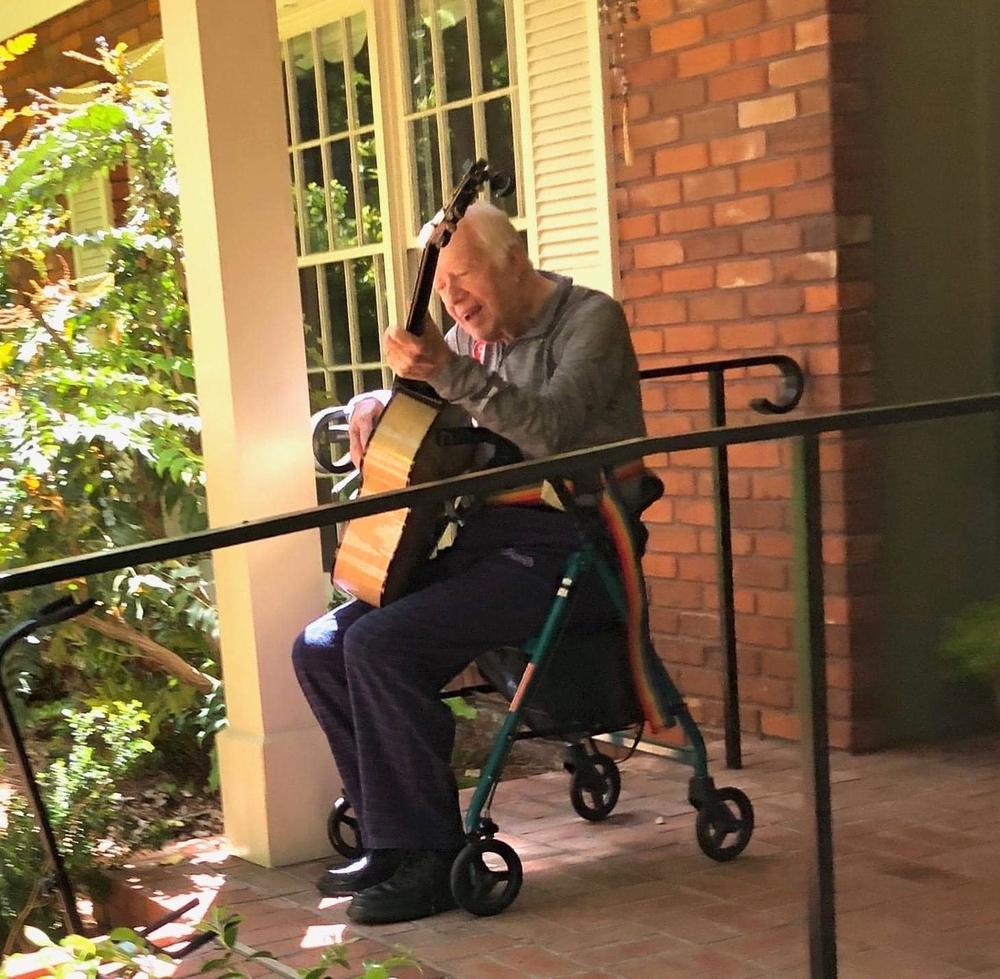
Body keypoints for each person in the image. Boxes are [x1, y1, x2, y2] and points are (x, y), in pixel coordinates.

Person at [291, 202, 647, 925]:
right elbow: (421, 397)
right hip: (487, 548)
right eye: (443, 288)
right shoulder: (470, 339)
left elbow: (549, 431)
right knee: (322, 645)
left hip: (575, 549)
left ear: (513, 260)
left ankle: (430, 860)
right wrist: (369, 404)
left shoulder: (591, 320)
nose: (452, 300)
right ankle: (393, 842)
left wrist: (452, 370)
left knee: (382, 643)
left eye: (462, 279)